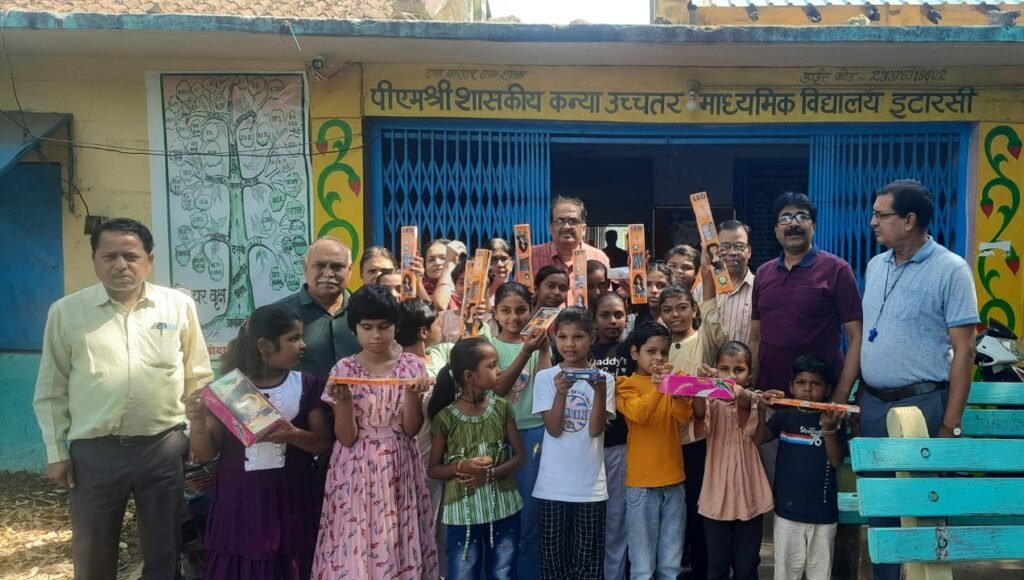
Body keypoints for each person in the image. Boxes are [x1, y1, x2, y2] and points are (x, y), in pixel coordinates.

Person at [33, 217, 213, 579]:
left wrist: (198, 432)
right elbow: (52, 389)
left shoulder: (177, 307)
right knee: (94, 552)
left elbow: (198, 375)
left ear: (149, 259)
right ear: (95, 260)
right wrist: (56, 452)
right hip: (95, 453)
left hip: (163, 449)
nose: (120, 265)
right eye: (109, 256)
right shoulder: (66, 312)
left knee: (165, 550)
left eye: (130, 256)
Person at [833, 179, 979, 580]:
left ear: (910, 220)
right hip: (874, 406)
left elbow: (964, 351)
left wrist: (950, 424)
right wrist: (854, 399)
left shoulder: (951, 270)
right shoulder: (876, 265)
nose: (872, 222)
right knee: (881, 511)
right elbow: (868, 338)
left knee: (920, 513)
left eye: (882, 215)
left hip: (921, 410)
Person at [186, 304, 332, 579]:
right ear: (265, 345)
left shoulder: (307, 384)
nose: (302, 345)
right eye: (292, 338)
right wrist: (196, 422)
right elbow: (206, 453)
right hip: (240, 498)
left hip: (292, 497)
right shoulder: (228, 390)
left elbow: (323, 443)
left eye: (301, 337)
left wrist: (293, 435)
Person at [313, 285, 439, 579]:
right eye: (366, 327)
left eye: (384, 327)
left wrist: (411, 395)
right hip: (354, 468)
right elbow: (346, 437)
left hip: (401, 463)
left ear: (396, 326)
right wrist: (343, 400)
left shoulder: (412, 365)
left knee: (399, 535)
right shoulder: (344, 369)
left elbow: (410, 429)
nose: (376, 335)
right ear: (354, 328)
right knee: (354, 536)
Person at [427, 337, 526, 580]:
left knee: (503, 572)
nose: (499, 370)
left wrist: (490, 474)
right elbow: (433, 469)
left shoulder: (501, 409)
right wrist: (462, 466)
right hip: (462, 514)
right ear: (470, 376)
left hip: (504, 508)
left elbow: (521, 456)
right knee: (462, 573)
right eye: (491, 366)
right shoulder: (446, 417)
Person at [749, 192, 863, 397]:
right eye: (785, 218)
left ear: (814, 226)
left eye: (802, 216)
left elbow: (856, 337)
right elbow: (756, 337)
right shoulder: (763, 273)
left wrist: (841, 395)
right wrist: (754, 387)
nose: (794, 224)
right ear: (776, 230)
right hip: (770, 395)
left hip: (819, 397)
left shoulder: (837, 270)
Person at [533, 308, 616, 580]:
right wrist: (560, 394)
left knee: (588, 563)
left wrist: (600, 392)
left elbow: (594, 431)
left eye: (578, 336)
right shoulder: (546, 378)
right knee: (553, 562)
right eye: (562, 337)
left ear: (592, 337)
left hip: (590, 486)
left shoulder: (605, 380)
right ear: (554, 338)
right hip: (552, 485)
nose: (569, 344)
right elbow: (554, 429)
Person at [753, 355, 846, 580]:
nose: (807, 389)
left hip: (823, 514)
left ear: (827, 389)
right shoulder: (784, 417)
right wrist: (762, 409)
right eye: (801, 383)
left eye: (815, 384)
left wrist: (828, 429)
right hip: (787, 513)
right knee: (785, 573)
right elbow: (758, 439)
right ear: (791, 386)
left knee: (819, 573)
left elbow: (835, 461)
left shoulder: (834, 419)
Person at [690, 342, 773, 580]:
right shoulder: (711, 403)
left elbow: (757, 437)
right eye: (724, 369)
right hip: (716, 494)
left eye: (739, 370)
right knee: (716, 565)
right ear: (715, 369)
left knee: (747, 566)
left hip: (750, 492)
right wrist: (699, 386)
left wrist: (739, 394)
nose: (731, 376)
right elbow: (697, 415)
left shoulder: (755, 400)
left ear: (751, 372)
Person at [616, 322, 693, 580]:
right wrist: (662, 388)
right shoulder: (624, 384)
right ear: (635, 353)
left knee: (671, 565)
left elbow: (683, 417)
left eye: (664, 352)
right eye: (651, 351)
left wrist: (677, 391)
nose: (659, 358)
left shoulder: (675, 378)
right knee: (641, 565)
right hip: (640, 486)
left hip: (674, 481)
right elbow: (640, 414)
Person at [488, 282, 553, 577]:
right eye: (506, 311)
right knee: (501, 514)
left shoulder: (538, 343)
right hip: (499, 438)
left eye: (521, 310)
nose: (514, 317)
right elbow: (499, 387)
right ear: (495, 313)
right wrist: (526, 352)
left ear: (532, 311)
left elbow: (544, 389)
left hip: (536, 434)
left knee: (530, 513)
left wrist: (544, 349)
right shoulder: (488, 346)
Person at [396, 299, 452, 522]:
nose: (442, 329)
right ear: (423, 331)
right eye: (438, 324)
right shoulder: (405, 368)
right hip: (420, 455)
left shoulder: (439, 354)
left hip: (439, 454)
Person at [277, 236, 360, 381]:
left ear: (350, 269)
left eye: (337, 266)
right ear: (305, 268)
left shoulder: (365, 312)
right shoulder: (279, 314)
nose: (328, 273)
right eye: (319, 266)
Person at [591, 292, 631, 580]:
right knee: (590, 519)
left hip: (620, 447)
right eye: (605, 315)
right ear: (594, 319)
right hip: (586, 449)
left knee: (617, 519)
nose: (613, 321)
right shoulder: (583, 351)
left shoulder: (632, 351)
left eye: (618, 314)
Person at [693, 220, 756, 345]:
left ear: (749, 251)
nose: (732, 253)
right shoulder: (702, 289)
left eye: (739, 246)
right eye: (725, 247)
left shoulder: (759, 288)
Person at [530, 197, 610, 295]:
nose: (566, 226)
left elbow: (606, 300)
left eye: (573, 221)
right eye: (560, 221)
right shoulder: (531, 256)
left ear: (584, 229)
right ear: (550, 228)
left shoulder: (599, 257)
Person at [423, 238, 467, 311]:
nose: (437, 262)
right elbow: (440, 305)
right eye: (431, 260)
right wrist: (448, 263)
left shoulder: (463, 286)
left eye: (443, 258)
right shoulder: (420, 288)